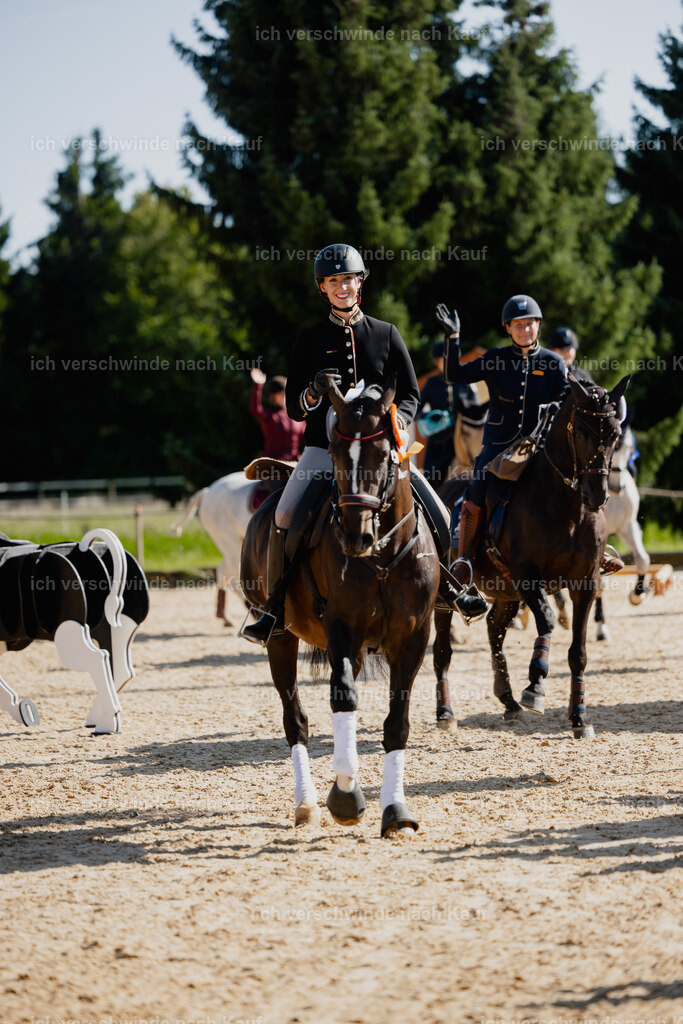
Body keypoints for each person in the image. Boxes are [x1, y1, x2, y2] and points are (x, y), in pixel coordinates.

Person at [241, 243, 487, 645]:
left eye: (348, 279)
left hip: (381, 450)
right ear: (323, 287)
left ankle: (454, 590)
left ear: (360, 283)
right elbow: (295, 409)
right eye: (333, 281)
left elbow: (410, 393)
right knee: (284, 515)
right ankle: (274, 606)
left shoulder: (386, 333)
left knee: (439, 510)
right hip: (326, 450)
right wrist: (314, 394)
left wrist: (399, 422)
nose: (342, 287)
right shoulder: (309, 339)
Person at [437, 294, 568, 584]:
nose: (525, 330)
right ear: (508, 329)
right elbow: (454, 374)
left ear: (539, 326)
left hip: (539, 448)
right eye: (518, 325)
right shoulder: (496, 359)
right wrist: (453, 338)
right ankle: (464, 560)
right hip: (498, 448)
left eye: (530, 324)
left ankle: (589, 549)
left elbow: (568, 400)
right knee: (477, 489)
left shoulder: (554, 363)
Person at [417, 340, 477, 486]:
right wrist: (429, 417)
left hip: (462, 442)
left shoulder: (465, 382)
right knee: (432, 482)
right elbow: (415, 409)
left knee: (469, 479)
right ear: (436, 362)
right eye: (442, 360)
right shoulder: (431, 383)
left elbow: (475, 411)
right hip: (438, 442)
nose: (446, 363)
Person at [249, 368, 305, 461]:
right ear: (273, 396)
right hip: (273, 460)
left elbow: (307, 439)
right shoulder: (270, 415)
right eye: (282, 394)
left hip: (295, 460)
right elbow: (255, 409)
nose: (285, 397)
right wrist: (257, 386)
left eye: (286, 394)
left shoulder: (297, 416)